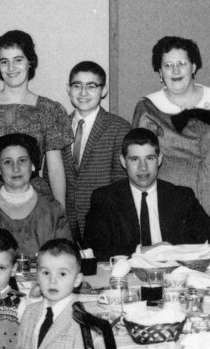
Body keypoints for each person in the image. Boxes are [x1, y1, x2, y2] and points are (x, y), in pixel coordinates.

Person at [133, 36, 210, 239]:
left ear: (193, 67)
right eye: (168, 65)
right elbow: (139, 161)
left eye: (181, 64)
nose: (175, 71)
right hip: (174, 206)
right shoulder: (147, 109)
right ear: (160, 72)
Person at [0, 30, 72, 207]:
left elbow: (55, 169)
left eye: (18, 60)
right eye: (4, 61)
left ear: (30, 62)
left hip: (36, 199)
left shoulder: (49, 110)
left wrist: (59, 211)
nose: (11, 68)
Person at [85, 128, 210, 260]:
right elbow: (94, 250)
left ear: (159, 159)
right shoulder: (105, 199)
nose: (143, 167)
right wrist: (144, 251)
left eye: (149, 158)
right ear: (123, 161)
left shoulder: (181, 197)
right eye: (135, 159)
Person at [0, 133, 70, 258]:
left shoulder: (53, 209)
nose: (16, 168)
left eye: (22, 160)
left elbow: (66, 259)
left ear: (33, 165)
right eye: (7, 162)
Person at [62, 61, 128, 238]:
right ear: (68, 89)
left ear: (103, 90)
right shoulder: (59, 127)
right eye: (77, 86)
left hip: (104, 223)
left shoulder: (118, 128)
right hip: (66, 224)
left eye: (91, 86)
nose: (83, 93)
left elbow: (121, 183)